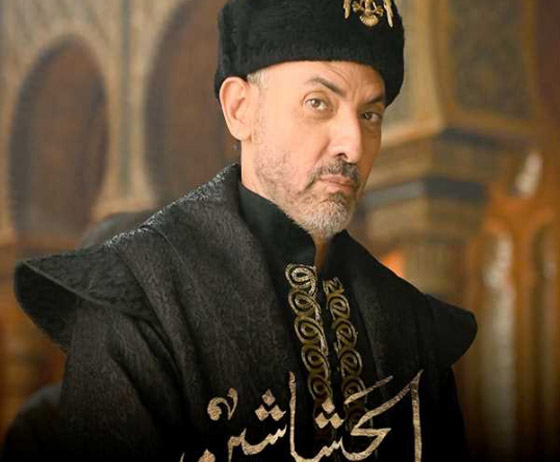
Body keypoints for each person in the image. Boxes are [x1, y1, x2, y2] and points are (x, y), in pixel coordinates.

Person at [12, 0, 477, 461]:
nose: (353, 145)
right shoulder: (140, 301)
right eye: (318, 103)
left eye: (369, 115)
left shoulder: (414, 329)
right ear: (240, 109)